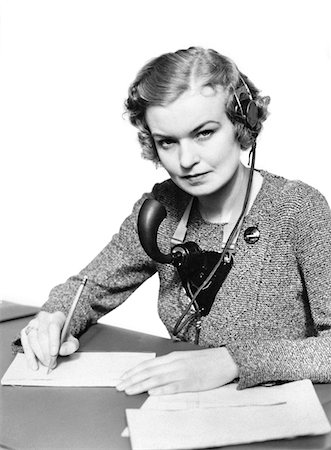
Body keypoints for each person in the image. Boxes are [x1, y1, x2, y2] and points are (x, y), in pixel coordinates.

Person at [15, 46, 331, 395]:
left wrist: (233, 361)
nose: (186, 160)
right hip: (178, 408)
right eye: (167, 142)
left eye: (204, 133)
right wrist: (55, 317)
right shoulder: (161, 208)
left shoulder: (299, 209)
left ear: (243, 125)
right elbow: (91, 286)